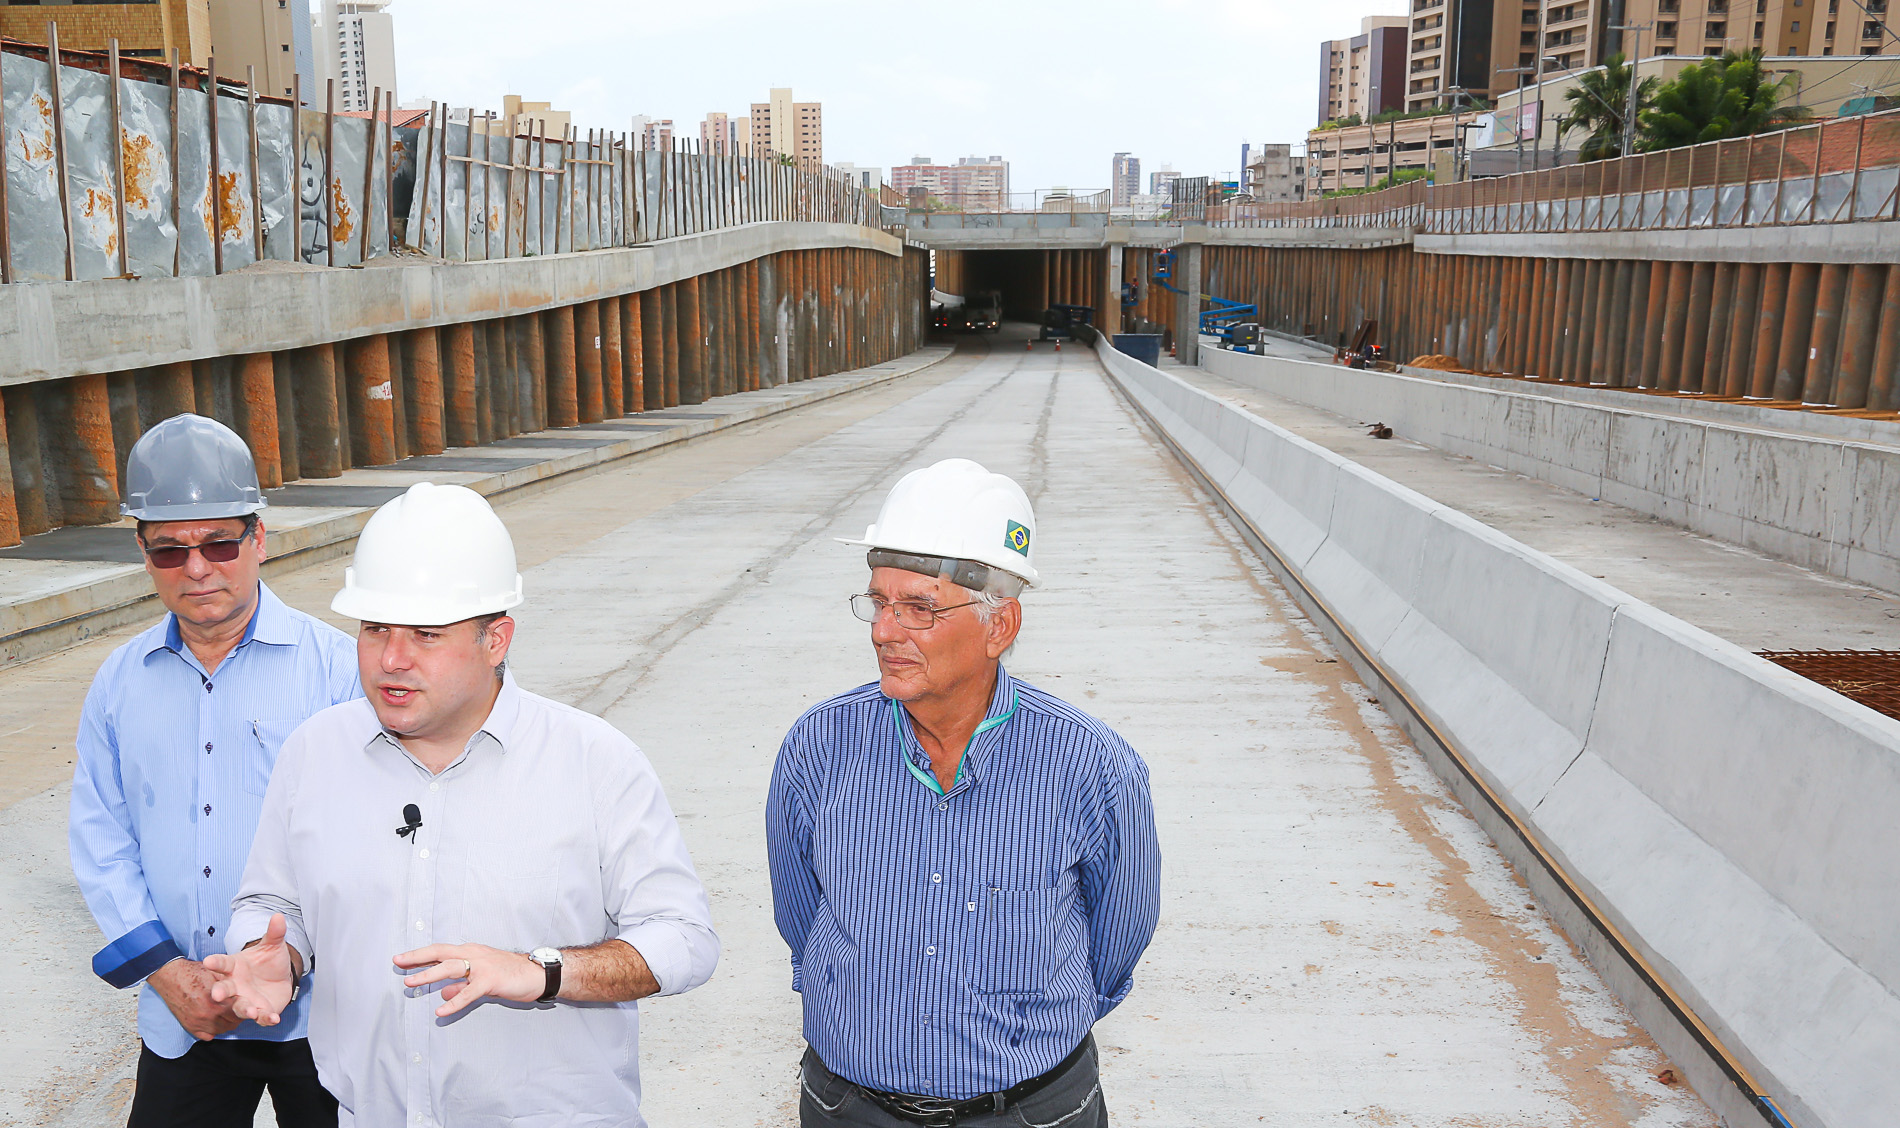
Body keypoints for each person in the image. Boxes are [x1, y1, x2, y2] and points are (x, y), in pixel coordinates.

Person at [206, 481, 719, 1127]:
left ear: (496, 639)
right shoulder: (315, 754)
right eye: (374, 629)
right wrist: (274, 954)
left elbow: (684, 941)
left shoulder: (595, 762)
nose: (391, 659)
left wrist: (542, 972)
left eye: (425, 634)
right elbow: (272, 903)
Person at [766, 458, 1162, 1128]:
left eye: (918, 607)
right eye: (879, 601)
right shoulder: (818, 749)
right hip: (849, 1109)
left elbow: (1117, 939)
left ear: (999, 627)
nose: (885, 631)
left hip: (1031, 1112)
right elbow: (802, 921)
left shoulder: (1090, 766)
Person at [69, 414, 360, 1127]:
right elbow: (100, 839)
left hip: (325, 1016)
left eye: (219, 543)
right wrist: (170, 975)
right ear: (143, 553)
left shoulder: (337, 671)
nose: (196, 568)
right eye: (170, 550)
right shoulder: (119, 682)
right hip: (183, 1014)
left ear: (258, 540)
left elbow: (376, 840)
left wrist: (285, 963)